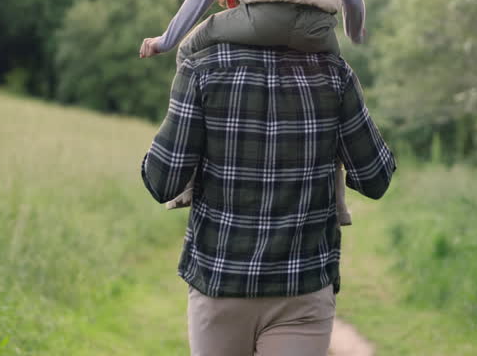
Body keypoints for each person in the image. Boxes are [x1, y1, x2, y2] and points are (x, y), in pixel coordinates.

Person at [139, 0, 366, 225]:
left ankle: (187, 180)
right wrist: (354, 35)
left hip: (261, 20)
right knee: (337, 94)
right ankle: (339, 204)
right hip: (319, 30)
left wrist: (166, 39)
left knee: (190, 51)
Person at [141, 39, 396, 356]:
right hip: (303, 289)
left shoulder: (201, 68)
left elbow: (161, 181)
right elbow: (375, 178)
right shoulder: (334, 73)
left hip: (220, 285)